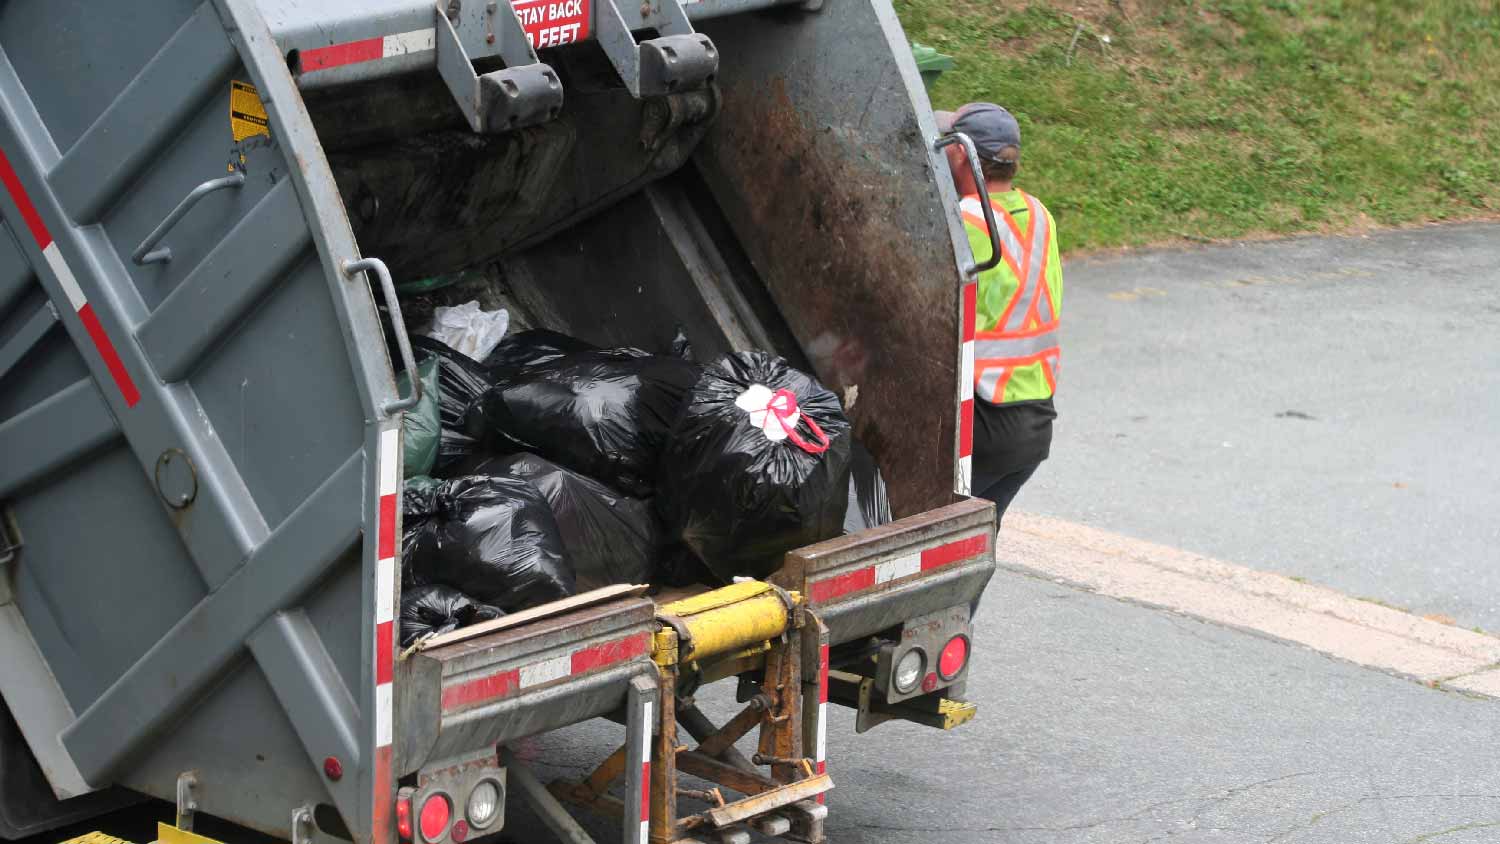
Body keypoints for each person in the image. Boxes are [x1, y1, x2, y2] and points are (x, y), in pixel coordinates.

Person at [936, 103, 1063, 524]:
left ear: (959, 152)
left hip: (982, 422)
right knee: (970, 548)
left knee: (924, 543)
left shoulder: (964, 220)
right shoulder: (1039, 213)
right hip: (1034, 424)